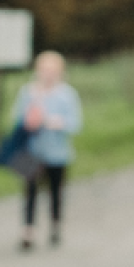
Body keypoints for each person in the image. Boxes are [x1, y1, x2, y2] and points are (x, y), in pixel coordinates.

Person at [12, 51, 83, 250]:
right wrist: (29, 121)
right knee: (30, 191)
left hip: (57, 152)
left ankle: (55, 226)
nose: (48, 74)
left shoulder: (67, 95)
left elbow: (75, 124)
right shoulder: (28, 92)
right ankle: (28, 230)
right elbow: (17, 119)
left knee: (55, 191)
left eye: (52, 71)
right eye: (44, 70)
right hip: (31, 151)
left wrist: (55, 122)